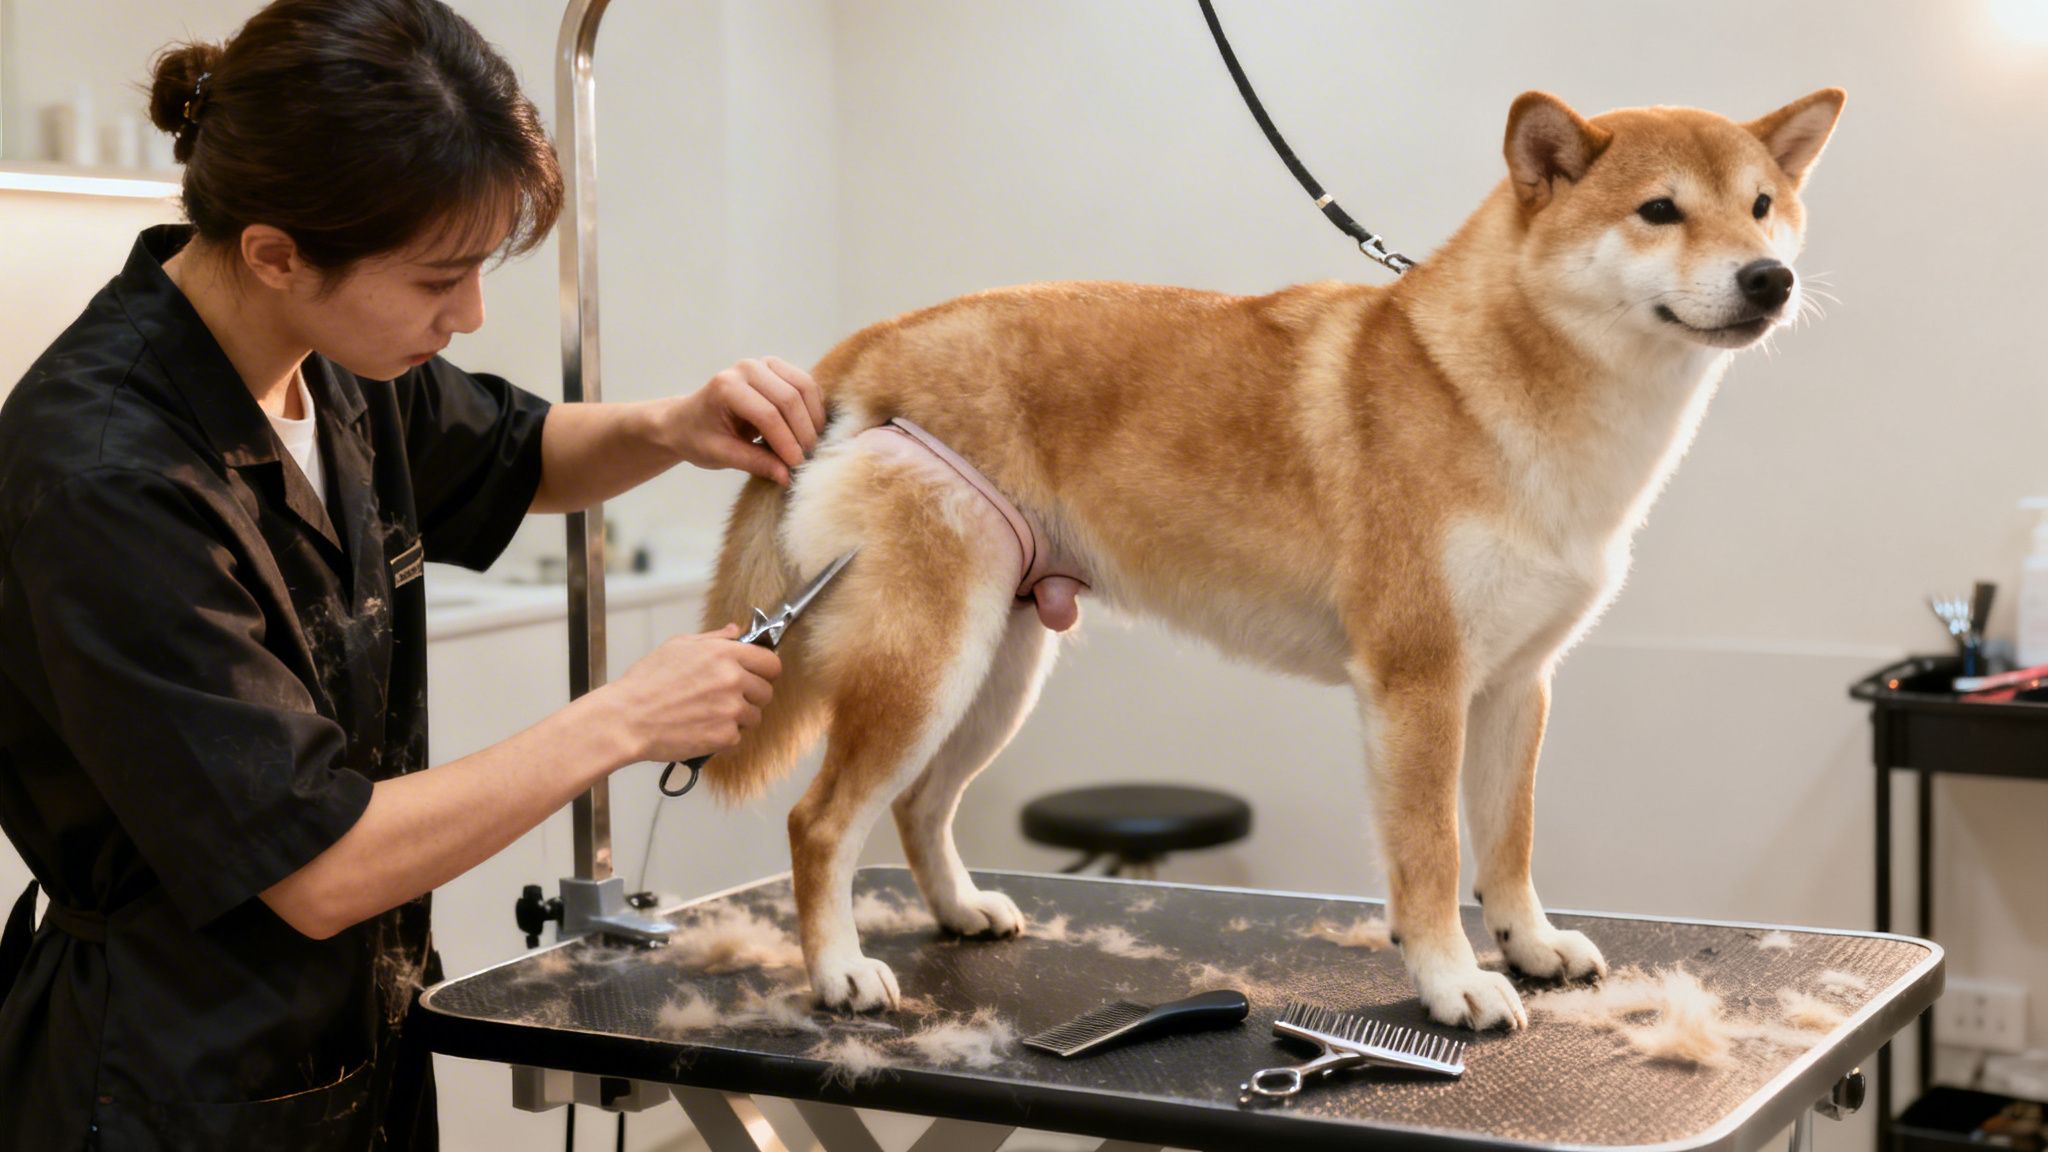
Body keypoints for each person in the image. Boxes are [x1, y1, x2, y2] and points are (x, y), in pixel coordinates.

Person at [0, 0, 825, 1146]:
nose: (471, 314)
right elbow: (318, 868)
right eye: (441, 278)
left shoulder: (330, 362)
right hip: (170, 1083)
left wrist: (675, 424)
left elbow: (510, 453)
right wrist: (626, 718)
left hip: (360, 1043)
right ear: (276, 253)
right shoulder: (106, 475)